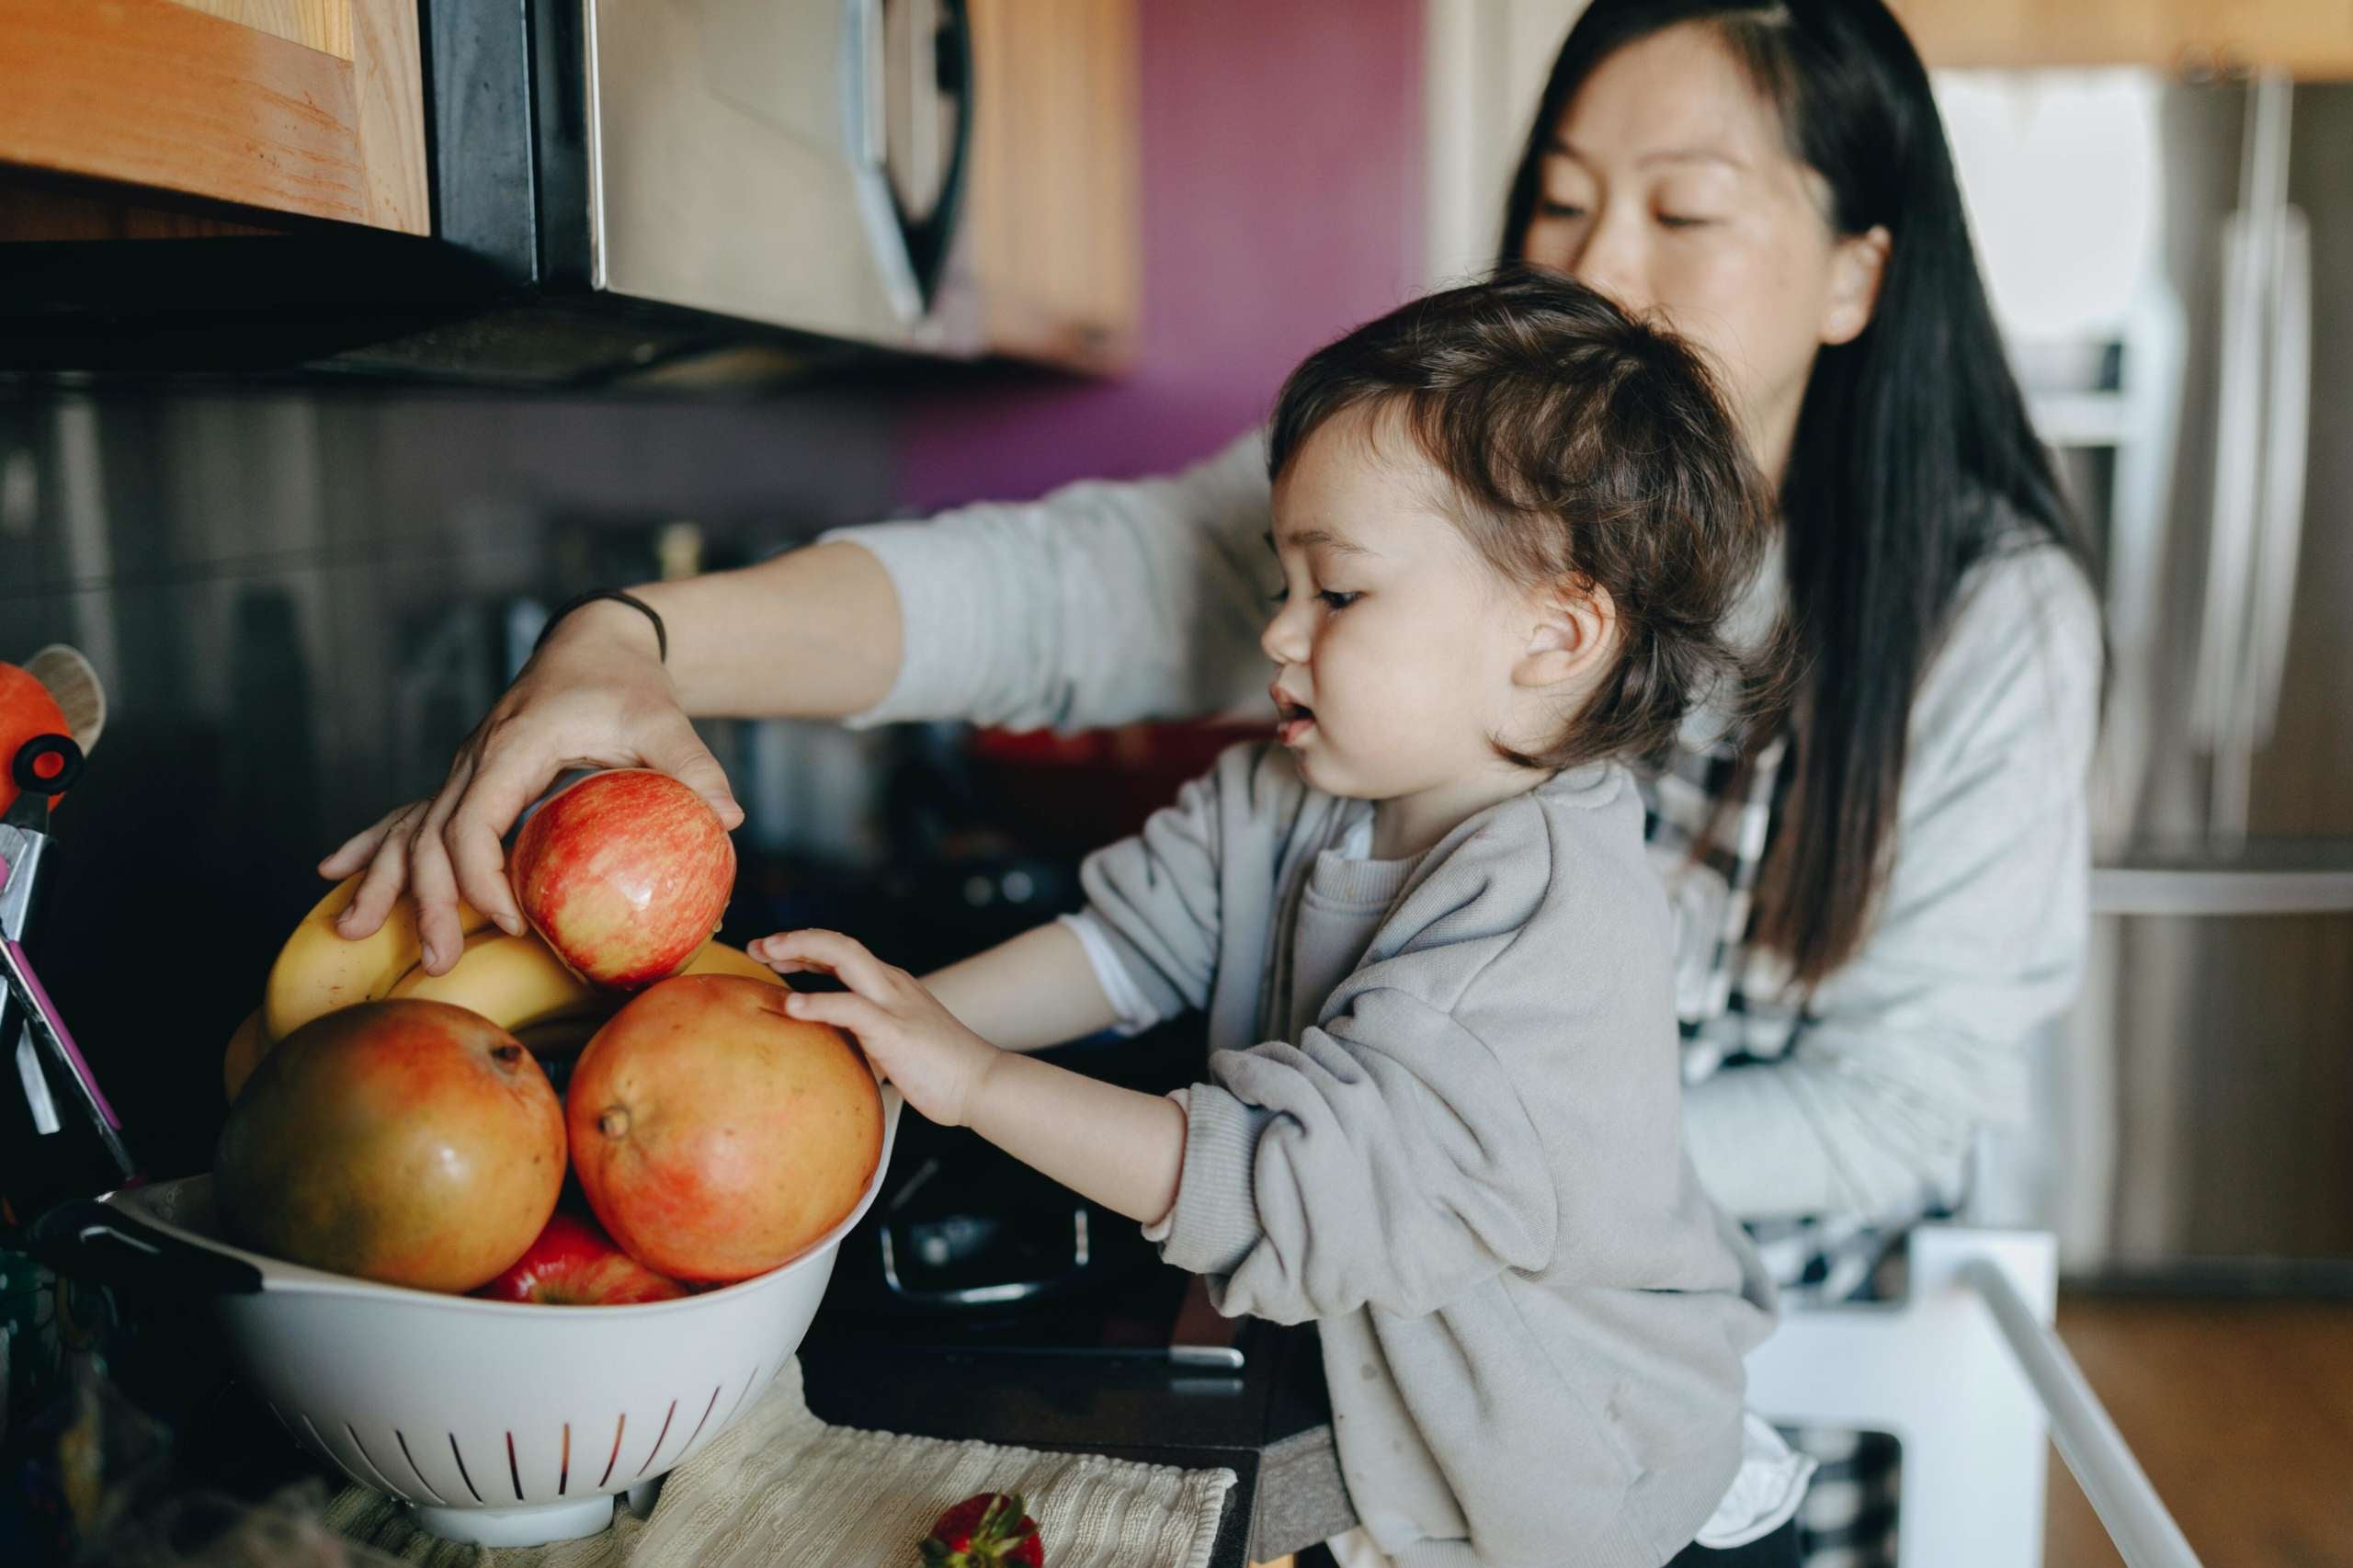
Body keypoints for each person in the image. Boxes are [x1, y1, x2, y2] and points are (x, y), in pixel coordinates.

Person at [323, 5, 2102, 1562]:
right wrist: (640, 650)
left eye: (1684, 208)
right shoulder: (1373, 620)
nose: (1594, 256)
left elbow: (1859, 1108)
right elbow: (1082, 689)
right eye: (1557, 194)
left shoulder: (1952, 629)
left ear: (1859, 268)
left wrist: (1490, 1160)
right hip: (1370, 1331)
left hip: (1605, 1412)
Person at [752, 272, 1806, 1567]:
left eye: (1339, 593)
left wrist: (970, 1079)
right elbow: (1128, 940)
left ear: (1556, 633)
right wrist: (881, 1034)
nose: (1278, 632)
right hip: (1382, 1397)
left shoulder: (1539, 932)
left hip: (1564, 1481)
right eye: (1282, 579)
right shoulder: (1290, 792)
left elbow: (1270, 1188)